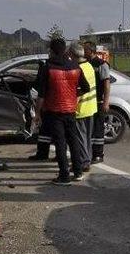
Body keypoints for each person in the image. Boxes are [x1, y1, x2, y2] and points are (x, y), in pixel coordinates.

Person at [34, 38, 90, 185]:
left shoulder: (49, 67)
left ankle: (64, 176)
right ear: (65, 50)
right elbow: (86, 87)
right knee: (73, 141)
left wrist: (37, 114)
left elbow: (41, 95)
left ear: (51, 51)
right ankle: (77, 172)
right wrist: (73, 95)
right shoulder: (75, 66)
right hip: (70, 110)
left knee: (60, 143)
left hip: (54, 111)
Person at [69, 41, 97, 173]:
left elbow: (79, 91)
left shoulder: (78, 69)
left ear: (72, 55)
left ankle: (83, 162)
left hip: (81, 108)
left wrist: (71, 107)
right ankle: (87, 158)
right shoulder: (89, 66)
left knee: (80, 138)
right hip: (91, 107)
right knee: (86, 137)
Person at [83, 41, 111, 164]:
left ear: (92, 51)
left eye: (85, 50)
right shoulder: (85, 64)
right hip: (88, 102)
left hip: (99, 101)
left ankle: (98, 154)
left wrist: (106, 102)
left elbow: (106, 84)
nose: (83, 52)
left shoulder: (101, 65)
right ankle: (88, 153)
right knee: (89, 130)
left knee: (98, 129)